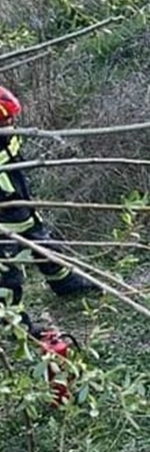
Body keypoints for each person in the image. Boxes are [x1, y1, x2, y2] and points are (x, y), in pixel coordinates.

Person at [0, 85, 95, 333]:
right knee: (5, 274)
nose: (10, 124)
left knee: (41, 241)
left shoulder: (7, 134)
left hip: (18, 202)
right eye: (5, 120)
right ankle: (17, 326)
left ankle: (67, 283)